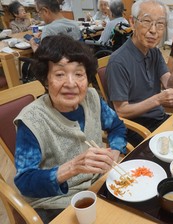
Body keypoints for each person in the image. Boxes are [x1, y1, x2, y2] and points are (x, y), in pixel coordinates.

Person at [13, 35, 127, 223]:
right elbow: (25, 182)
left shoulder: (91, 97)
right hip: (56, 203)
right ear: (45, 79)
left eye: (79, 74)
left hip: (99, 184)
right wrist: (72, 168)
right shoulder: (32, 120)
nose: (71, 83)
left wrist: (115, 151)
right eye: (59, 74)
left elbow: (116, 127)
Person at [106, 0, 173, 146]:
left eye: (160, 24)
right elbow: (121, 111)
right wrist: (158, 100)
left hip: (159, 120)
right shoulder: (118, 61)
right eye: (147, 21)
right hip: (135, 129)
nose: (154, 30)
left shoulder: (154, 52)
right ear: (132, 22)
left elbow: (171, 86)